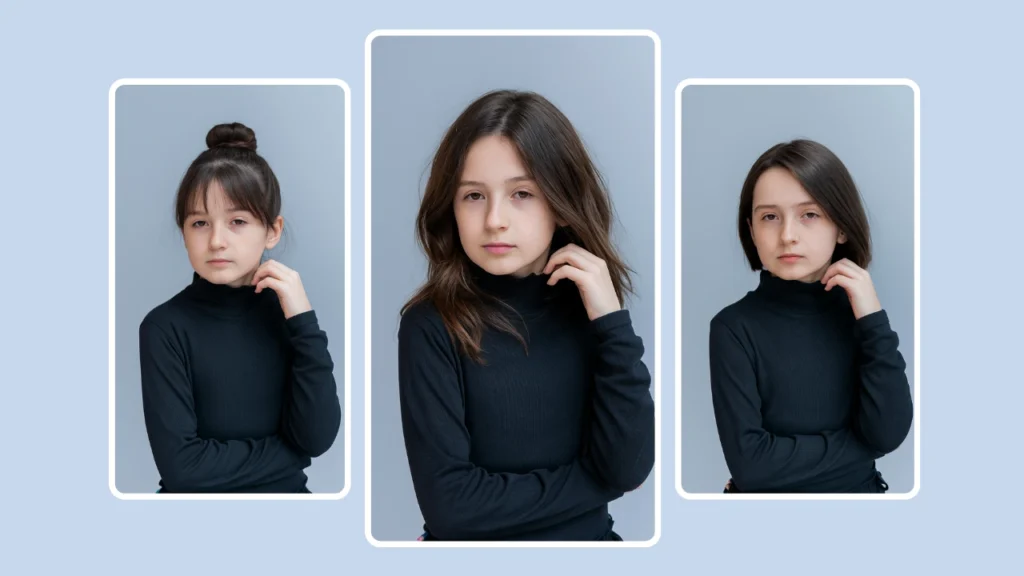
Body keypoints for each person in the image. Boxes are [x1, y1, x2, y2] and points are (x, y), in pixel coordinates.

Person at [397, 90, 655, 541]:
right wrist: (597, 483)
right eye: (474, 196)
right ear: (451, 207)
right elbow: (451, 508)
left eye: (522, 193)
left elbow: (629, 466)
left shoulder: (594, 314)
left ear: (560, 202)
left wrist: (613, 324)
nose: (495, 219)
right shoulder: (431, 324)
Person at [138, 122, 341, 493]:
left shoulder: (289, 317)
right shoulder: (164, 327)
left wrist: (304, 321)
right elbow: (183, 468)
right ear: (183, 233)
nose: (216, 240)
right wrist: (290, 455)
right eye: (200, 222)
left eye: (237, 222)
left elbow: (317, 437)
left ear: (272, 230)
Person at [709, 139, 913, 494]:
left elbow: (889, 432)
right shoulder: (732, 328)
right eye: (770, 217)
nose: (788, 236)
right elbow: (752, 466)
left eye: (810, 214)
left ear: (842, 226)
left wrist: (873, 318)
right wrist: (864, 448)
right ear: (752, 230)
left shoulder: (862, 318)